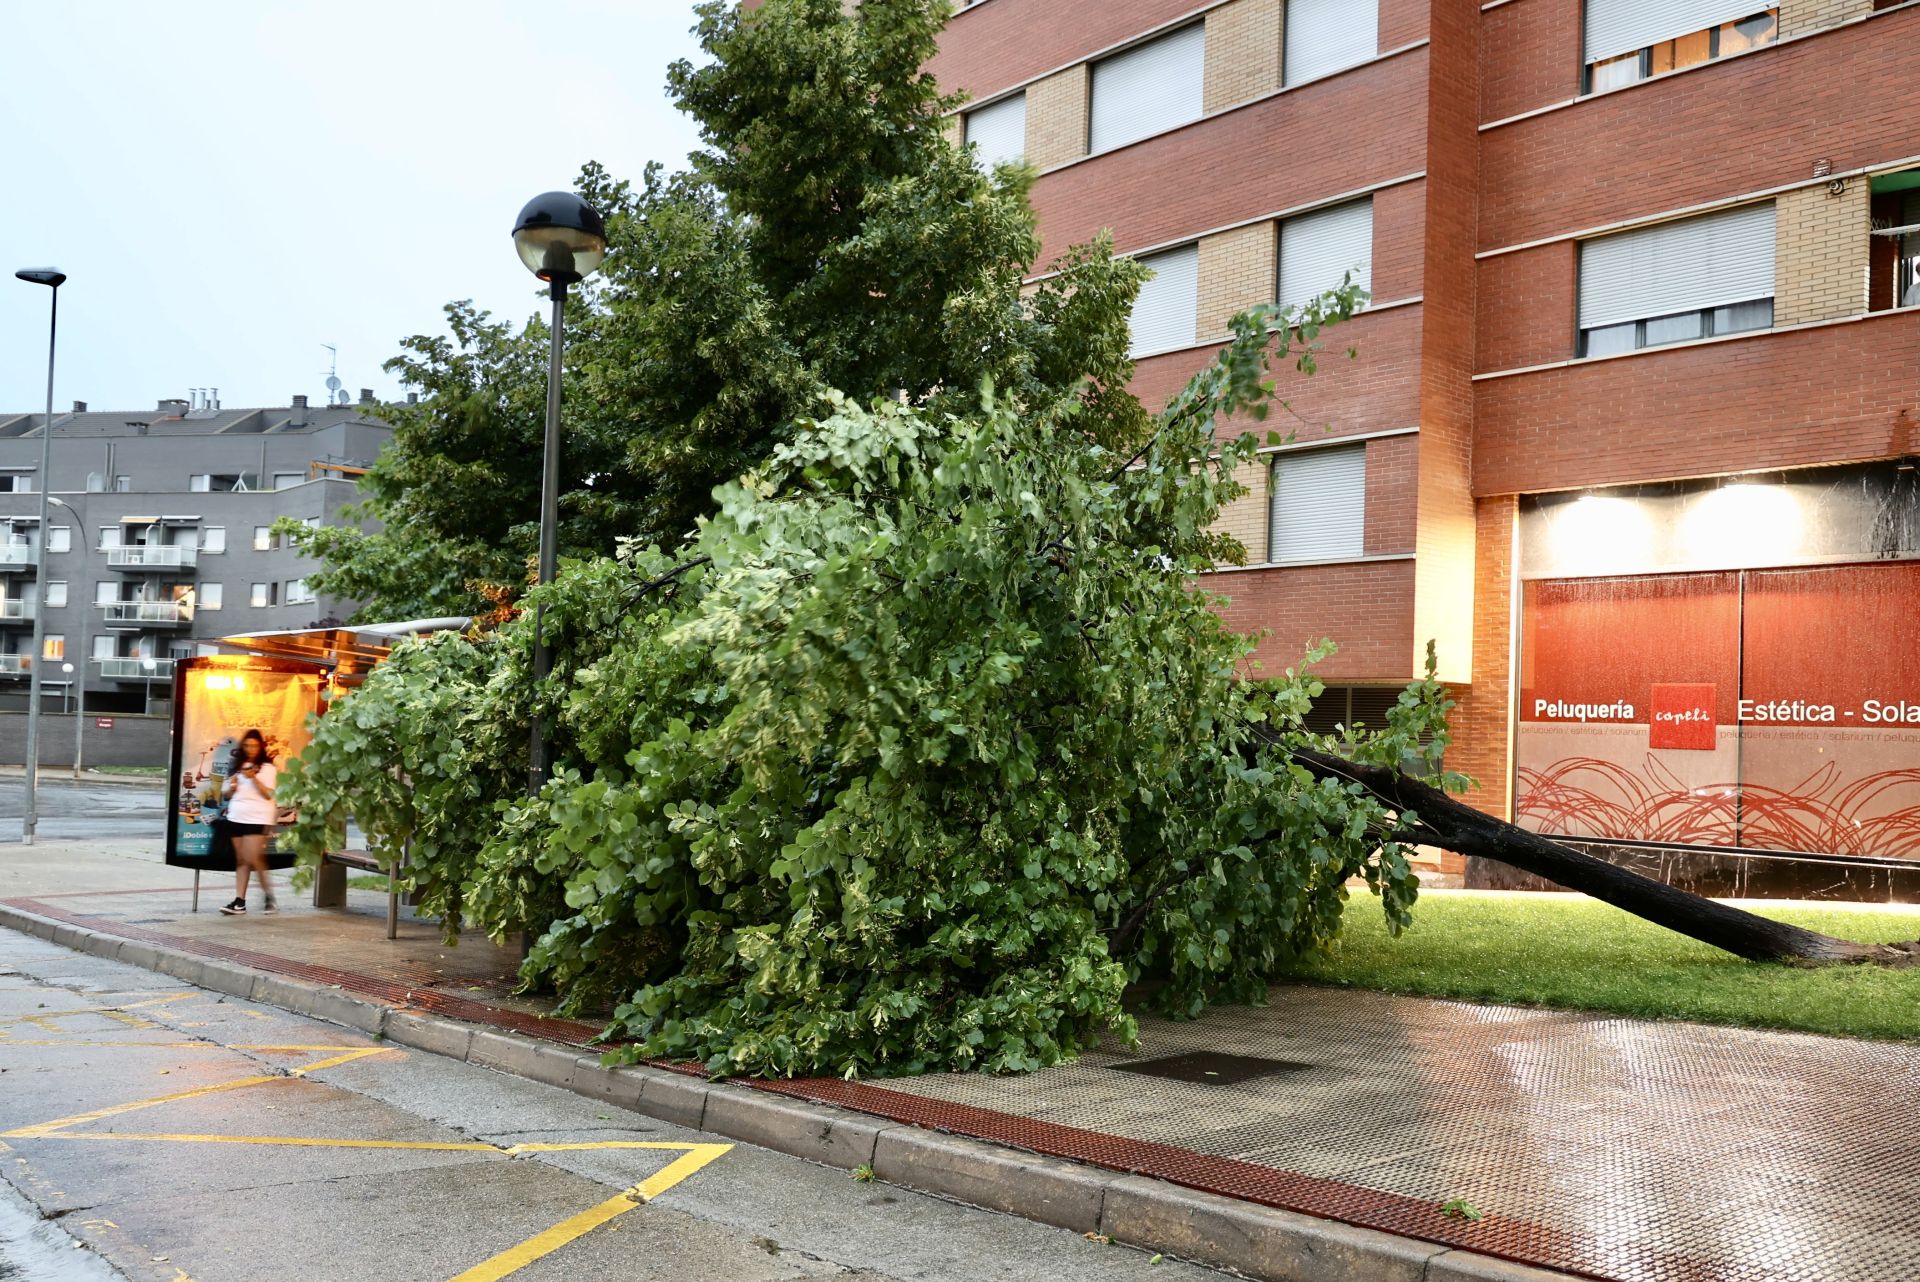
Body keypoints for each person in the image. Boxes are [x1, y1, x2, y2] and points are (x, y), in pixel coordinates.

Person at [218, 729, 279, 916]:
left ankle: (269, 896)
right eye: (246, 745)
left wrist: (254, 779)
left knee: (254, 857)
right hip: (236, 815)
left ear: (260, 747)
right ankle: (239, 901)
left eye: (254, 745)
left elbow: (268, 794)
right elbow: (225, 793)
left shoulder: (268, 768)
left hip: (258, 816)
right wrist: (234, 785)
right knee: (242, 859)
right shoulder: (237, 766)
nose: (250, 749)